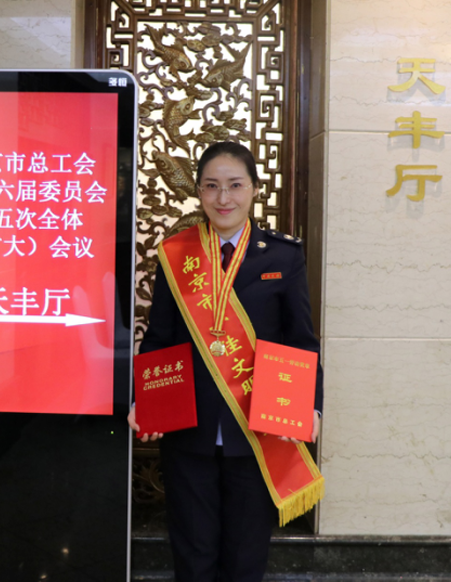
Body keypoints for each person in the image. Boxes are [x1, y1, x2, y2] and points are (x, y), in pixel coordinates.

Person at [128, 141, 324, 582]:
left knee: (245, 554)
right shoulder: (176, 253)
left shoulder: (282, 255)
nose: (223, 198)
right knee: (193, 552)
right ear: (198, 191)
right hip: (188, 428)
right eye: (211, 186)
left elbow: (300, 340)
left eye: (235, 185)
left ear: (254, 189)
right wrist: (146, 401)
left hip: (257, 429)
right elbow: (159, 338)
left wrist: (310, 406)